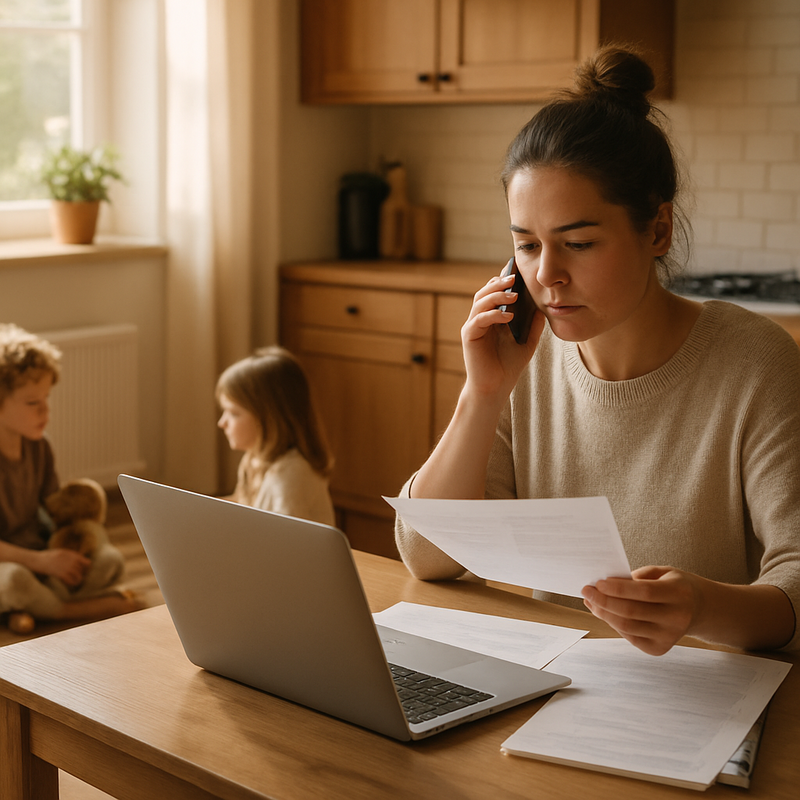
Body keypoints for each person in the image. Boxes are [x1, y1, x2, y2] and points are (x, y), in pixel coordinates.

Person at [394, 46, 800, 657]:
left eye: (578, 243)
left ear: (657, 229)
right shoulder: (524, 361)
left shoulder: (756, 363)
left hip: (712, 705)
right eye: (526, 246)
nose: (547, 276)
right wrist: (482, 394)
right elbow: (429, 556)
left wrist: (702, 607)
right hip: (564, 687)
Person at [0, 323, 140, 635]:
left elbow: (54, 512)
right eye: (33, 403)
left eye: (47, 398)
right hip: (12, 563)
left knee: (108, 561)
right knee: (12, 580)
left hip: (36, 552)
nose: (46, 411)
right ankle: (65, 610)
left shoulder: (39, 445)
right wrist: (42, 562)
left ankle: (26, 609)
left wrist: (73, 542)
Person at [216, 345, 336, 526]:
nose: (222, 422)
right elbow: (241, 504)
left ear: (269, 419)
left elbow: (285, 541)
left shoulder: (291, 476)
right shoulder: (254, 457)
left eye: (233, 413)